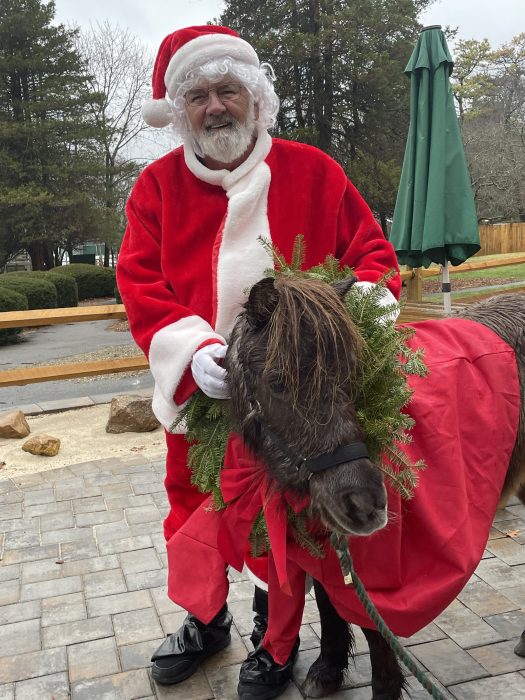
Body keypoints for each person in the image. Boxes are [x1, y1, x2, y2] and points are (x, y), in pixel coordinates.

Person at [116, 24, 401, 699]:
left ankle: (274, 645)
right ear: (180, 112)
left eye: (227, 90)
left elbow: (374, 261)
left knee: (283, 527)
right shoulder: (155, 188)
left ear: (256, 100)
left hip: (296, 404)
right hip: (203, 392)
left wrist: (353, 312)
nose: (214, 106)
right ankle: (203, 619)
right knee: (192, 515)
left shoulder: (314, 172)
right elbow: (139, 282)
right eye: (197, 96)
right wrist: (190, 351)